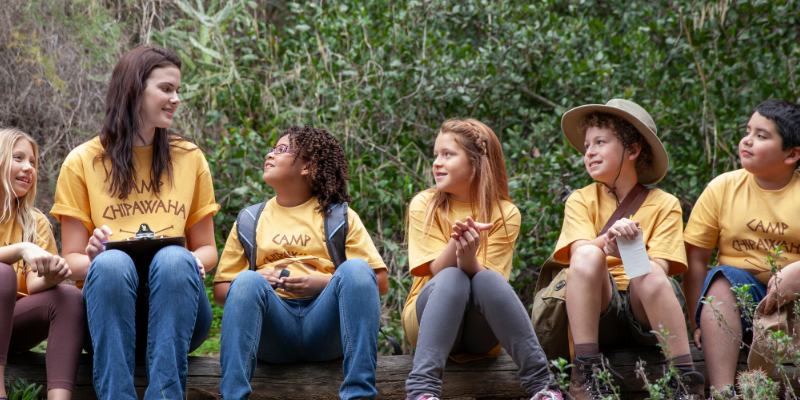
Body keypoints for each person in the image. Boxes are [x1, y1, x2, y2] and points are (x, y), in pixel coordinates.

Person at [51, 45, 219, 399]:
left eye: (178, 90)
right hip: (107, 315)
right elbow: (72, 261)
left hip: (179, 311)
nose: (176, 99)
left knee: (175, 258)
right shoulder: (82, 161)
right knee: (111, 262)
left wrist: (193, 262)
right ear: (133, 89)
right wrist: (94, 256)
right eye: (166, 89)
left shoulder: (189, 158)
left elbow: (206, 250)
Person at [213, 124, 389, 400]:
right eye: (272, 148)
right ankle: (233, 396)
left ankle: (359, 394)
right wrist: (261, 280)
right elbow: (222, 292)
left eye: (282, 150)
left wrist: (323, 283)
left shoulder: (339, 217)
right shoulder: (249, 220)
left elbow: (377, 282)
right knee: (246, 279)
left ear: (307, 167)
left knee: (355, 268)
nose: (270, 154)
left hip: (327, 328)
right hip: (273, 332)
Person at [553, 99, 703, 399]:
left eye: (600, 142)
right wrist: (607, 243)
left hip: (646, 315)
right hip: (598, 311)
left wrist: (630, 251)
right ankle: (585, 374)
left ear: (633, 151)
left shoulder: (665, 204)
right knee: (587, 254)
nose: (589, 152)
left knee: (647, 273)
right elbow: (580, 255)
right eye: (586, 145)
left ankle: (685, 381)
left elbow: (660, 270)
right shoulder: (580, 199)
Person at [402, 118, 561, 400]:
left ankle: (544, 388)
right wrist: (458, 245)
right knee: (451, 277)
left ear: (477, 163)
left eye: (448, 155)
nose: (437, 163)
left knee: (486, 278)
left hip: (481, 334)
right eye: (436, 155)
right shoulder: (424, 204)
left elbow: (490, 285)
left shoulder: (505, 212)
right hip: (428, 319)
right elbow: (437, 270)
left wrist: (468, 257)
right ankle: (421, 393)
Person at [684, 99, 800, 396]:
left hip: (794, 307)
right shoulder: (723, 187)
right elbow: (696, 258)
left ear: (792, 154)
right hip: (743, 304)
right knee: (722, 280)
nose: (746, 140)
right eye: (748, 131)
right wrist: (694, 320)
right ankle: (722, 392)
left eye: (762, 136)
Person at [0, 128, 84, 400]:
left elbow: (35, 283)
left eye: (33, 162)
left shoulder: (34, 222)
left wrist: (53, 276)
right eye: (18, 158)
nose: (29, 168)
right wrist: (21, 249)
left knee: (70, 295)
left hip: (13, 327)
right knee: (3, 275)